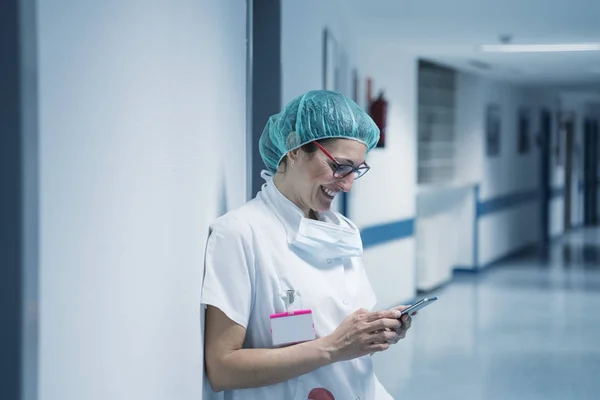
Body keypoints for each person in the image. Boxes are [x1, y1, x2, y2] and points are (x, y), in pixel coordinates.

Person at [201, 90, 413, 400]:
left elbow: (340, 340)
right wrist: (334, 347)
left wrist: (374, 333)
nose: (348, 184)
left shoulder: (340, 233)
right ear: (294, 148)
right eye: (340, 166)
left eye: (356, 170)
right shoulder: (240, 234)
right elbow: (222, 368)